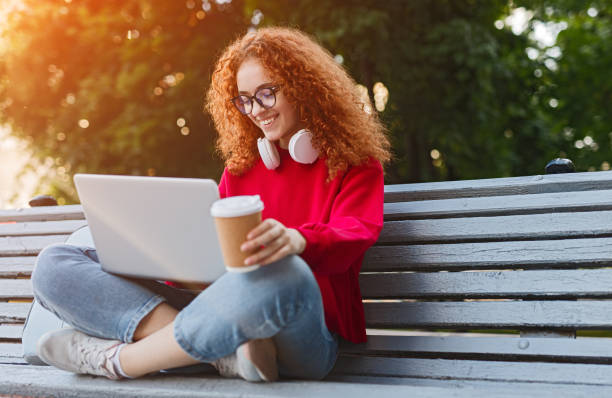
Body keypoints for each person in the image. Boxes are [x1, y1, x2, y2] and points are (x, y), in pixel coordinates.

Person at [31, 26, 391, 382]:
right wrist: (159, 255)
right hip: (224, 314)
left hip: (305, 336)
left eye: (267, 93)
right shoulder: (241, 169)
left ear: (303, 88)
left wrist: (297, 241)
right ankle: (227, 356)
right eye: (245, 99)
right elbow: (212, 260)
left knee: (284, 271)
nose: (256, 110)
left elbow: (355, 233)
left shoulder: (355, 163)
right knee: (54, 264)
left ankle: (121, 361)